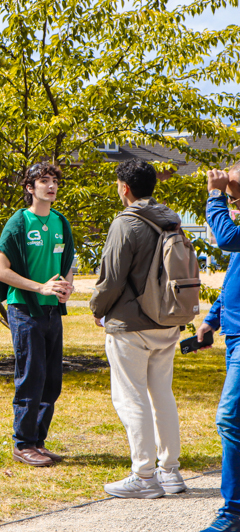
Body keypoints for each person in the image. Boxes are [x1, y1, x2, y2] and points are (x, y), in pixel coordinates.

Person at [90, 159, 187, 499]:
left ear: (125, 187)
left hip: (131, 325)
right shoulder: (171, 220)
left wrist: (96, 309)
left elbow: (111, 278)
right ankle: (170, 471)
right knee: (162, 396)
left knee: (131, 398)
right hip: (167, 320)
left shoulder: (126, 224)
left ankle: (144, 476)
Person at [0, 162, 76, 467]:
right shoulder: (18, 223)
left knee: (52, 380)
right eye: (43, 181)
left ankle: (38, 443)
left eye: (54, 181)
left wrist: (66, 285)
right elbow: (1, 271)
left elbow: (66, 260)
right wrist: (39, 288)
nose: (51, 186)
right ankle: (23, 443)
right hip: (24, 309)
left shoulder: (61, 223)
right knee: (31, 376)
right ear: (30, 188)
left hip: (53, 311)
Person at [196, 162, 240, 532]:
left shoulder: (234, 225)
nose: (231, 200)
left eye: (234, 194)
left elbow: (224, 239)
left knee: (229, 419)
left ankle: (233, 511)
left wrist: (213, 197)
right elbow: (234, 272)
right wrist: (212, 318)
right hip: (235, 335)